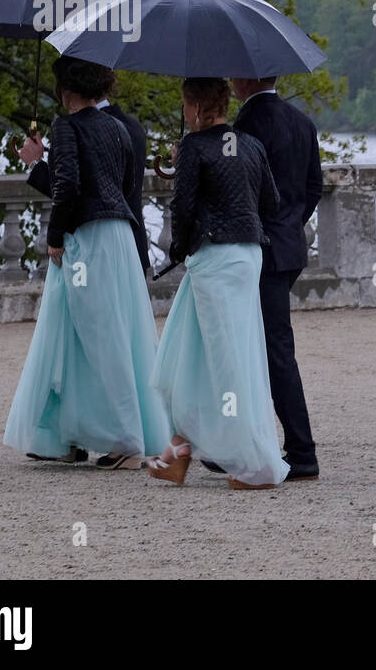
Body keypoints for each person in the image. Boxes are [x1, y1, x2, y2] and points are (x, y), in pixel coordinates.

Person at [4, 57, 170, 468]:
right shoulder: (119, 127)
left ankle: (123, 439)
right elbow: (115, 186)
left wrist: (55, 235)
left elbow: (71, 186)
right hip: (118, 236)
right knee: (105, 332)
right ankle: (73, 434)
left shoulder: (66, 126)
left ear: (66, 90)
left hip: (88, 238)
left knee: (89, 335)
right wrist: (46, 163)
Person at [147, 77, 288, 489]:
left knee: (227, 363)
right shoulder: (250, 145)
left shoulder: (194, 146)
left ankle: (254, 465)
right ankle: (178, 452)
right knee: (189, 352)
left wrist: (177, 249)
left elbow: (184, 207)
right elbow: (271, 203)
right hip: (247, 256)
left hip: (214, 260)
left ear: (193, 107)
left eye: (185, 106)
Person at [228, 76, 323, 482]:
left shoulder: (247, 125)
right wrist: (289, 225)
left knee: (270, 350)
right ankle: (241, 443)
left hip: (260, 249)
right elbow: (313, 187)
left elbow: (238, 190)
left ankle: (301, 450)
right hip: (289, 246)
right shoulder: (302, 122)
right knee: (269, 347)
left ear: (245, 78)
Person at [21, 76, 152, 273]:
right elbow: (124, 188)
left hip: (93, 245)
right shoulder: (131, 126)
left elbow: (73, 192)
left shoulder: (72, 127)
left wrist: (35, 164)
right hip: (132, 243)